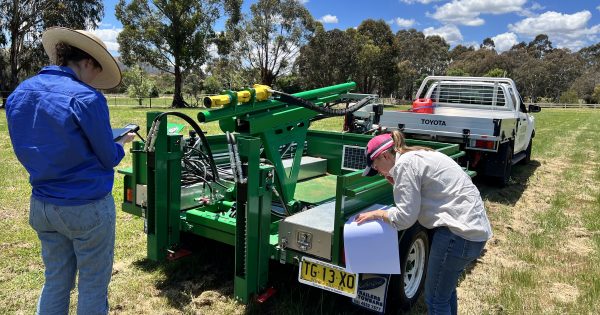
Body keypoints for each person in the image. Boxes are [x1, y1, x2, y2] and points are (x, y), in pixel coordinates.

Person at [5, 27, 134, 314]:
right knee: (92, 285)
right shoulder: (87, 98)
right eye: (95, 73)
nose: (94, 81)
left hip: (42, 204)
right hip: (86, 206)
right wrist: (121, 144)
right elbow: (107, 156)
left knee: (55, 281)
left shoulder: (19, 93)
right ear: (87, 62)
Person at [355, 131, 492, 315]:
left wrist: (379, 214)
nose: (378, 172)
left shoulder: (405, 165)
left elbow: (405, 218)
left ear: (385, 156)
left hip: (457, 235)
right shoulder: (416, 156)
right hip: (473, 231)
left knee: (435, 300)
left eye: (376, 166)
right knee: (445, 293)